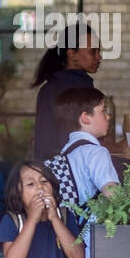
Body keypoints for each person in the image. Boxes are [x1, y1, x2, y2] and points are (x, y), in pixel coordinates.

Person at [52, 86, 119, 258]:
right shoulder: (97, 153)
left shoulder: (67, 151)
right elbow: (114, 195)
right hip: (94, 246)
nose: (108, 116)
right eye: (103, 111)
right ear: (85, 117)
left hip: (72, 241)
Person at [0, 161, 84, 258]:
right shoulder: (12, 220)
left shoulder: (65, 216)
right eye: (30, 184)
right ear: (17, 192)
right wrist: (32, 220)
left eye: (44, 181)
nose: (40, 188)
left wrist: (55, 219)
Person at [30, 23, 102, 159]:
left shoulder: (49, 87)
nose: (98, 57)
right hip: (71, 169)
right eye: (92, 51)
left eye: (99, 51)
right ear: (72, 54)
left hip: (49, 169)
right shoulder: (79, 87)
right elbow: (84, 137)